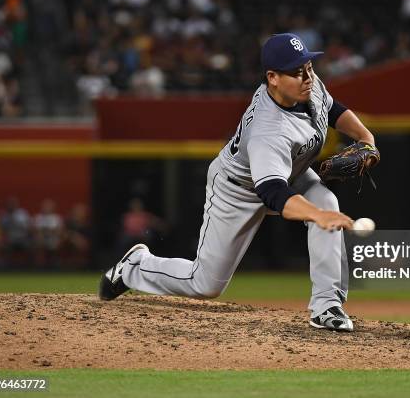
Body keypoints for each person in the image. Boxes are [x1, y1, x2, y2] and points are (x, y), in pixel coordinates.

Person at [99, 33, 378, 332]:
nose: (307, 76)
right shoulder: (267, 130)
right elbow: (272, 192)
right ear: (272, 77)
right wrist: (317, 216)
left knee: (326, 201)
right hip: (237, 190)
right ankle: (136, 266)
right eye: (297, 72)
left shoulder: (306, 82)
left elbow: (333, 109)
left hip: (290, 174)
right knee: (205, 284)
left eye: (308, 66)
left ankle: (326, 306)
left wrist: (366, 138)